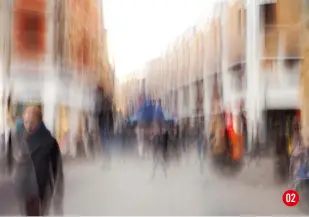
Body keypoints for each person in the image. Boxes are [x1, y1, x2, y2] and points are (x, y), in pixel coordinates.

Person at [7, 105, 64, 216]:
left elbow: (57, 170)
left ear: (39, 122)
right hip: (24, 188)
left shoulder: (49, 142)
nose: (28, 125)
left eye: (32, 122)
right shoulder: (18, 137)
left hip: (41, 188)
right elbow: (12, 159)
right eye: (26, 121)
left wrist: (58, 197)